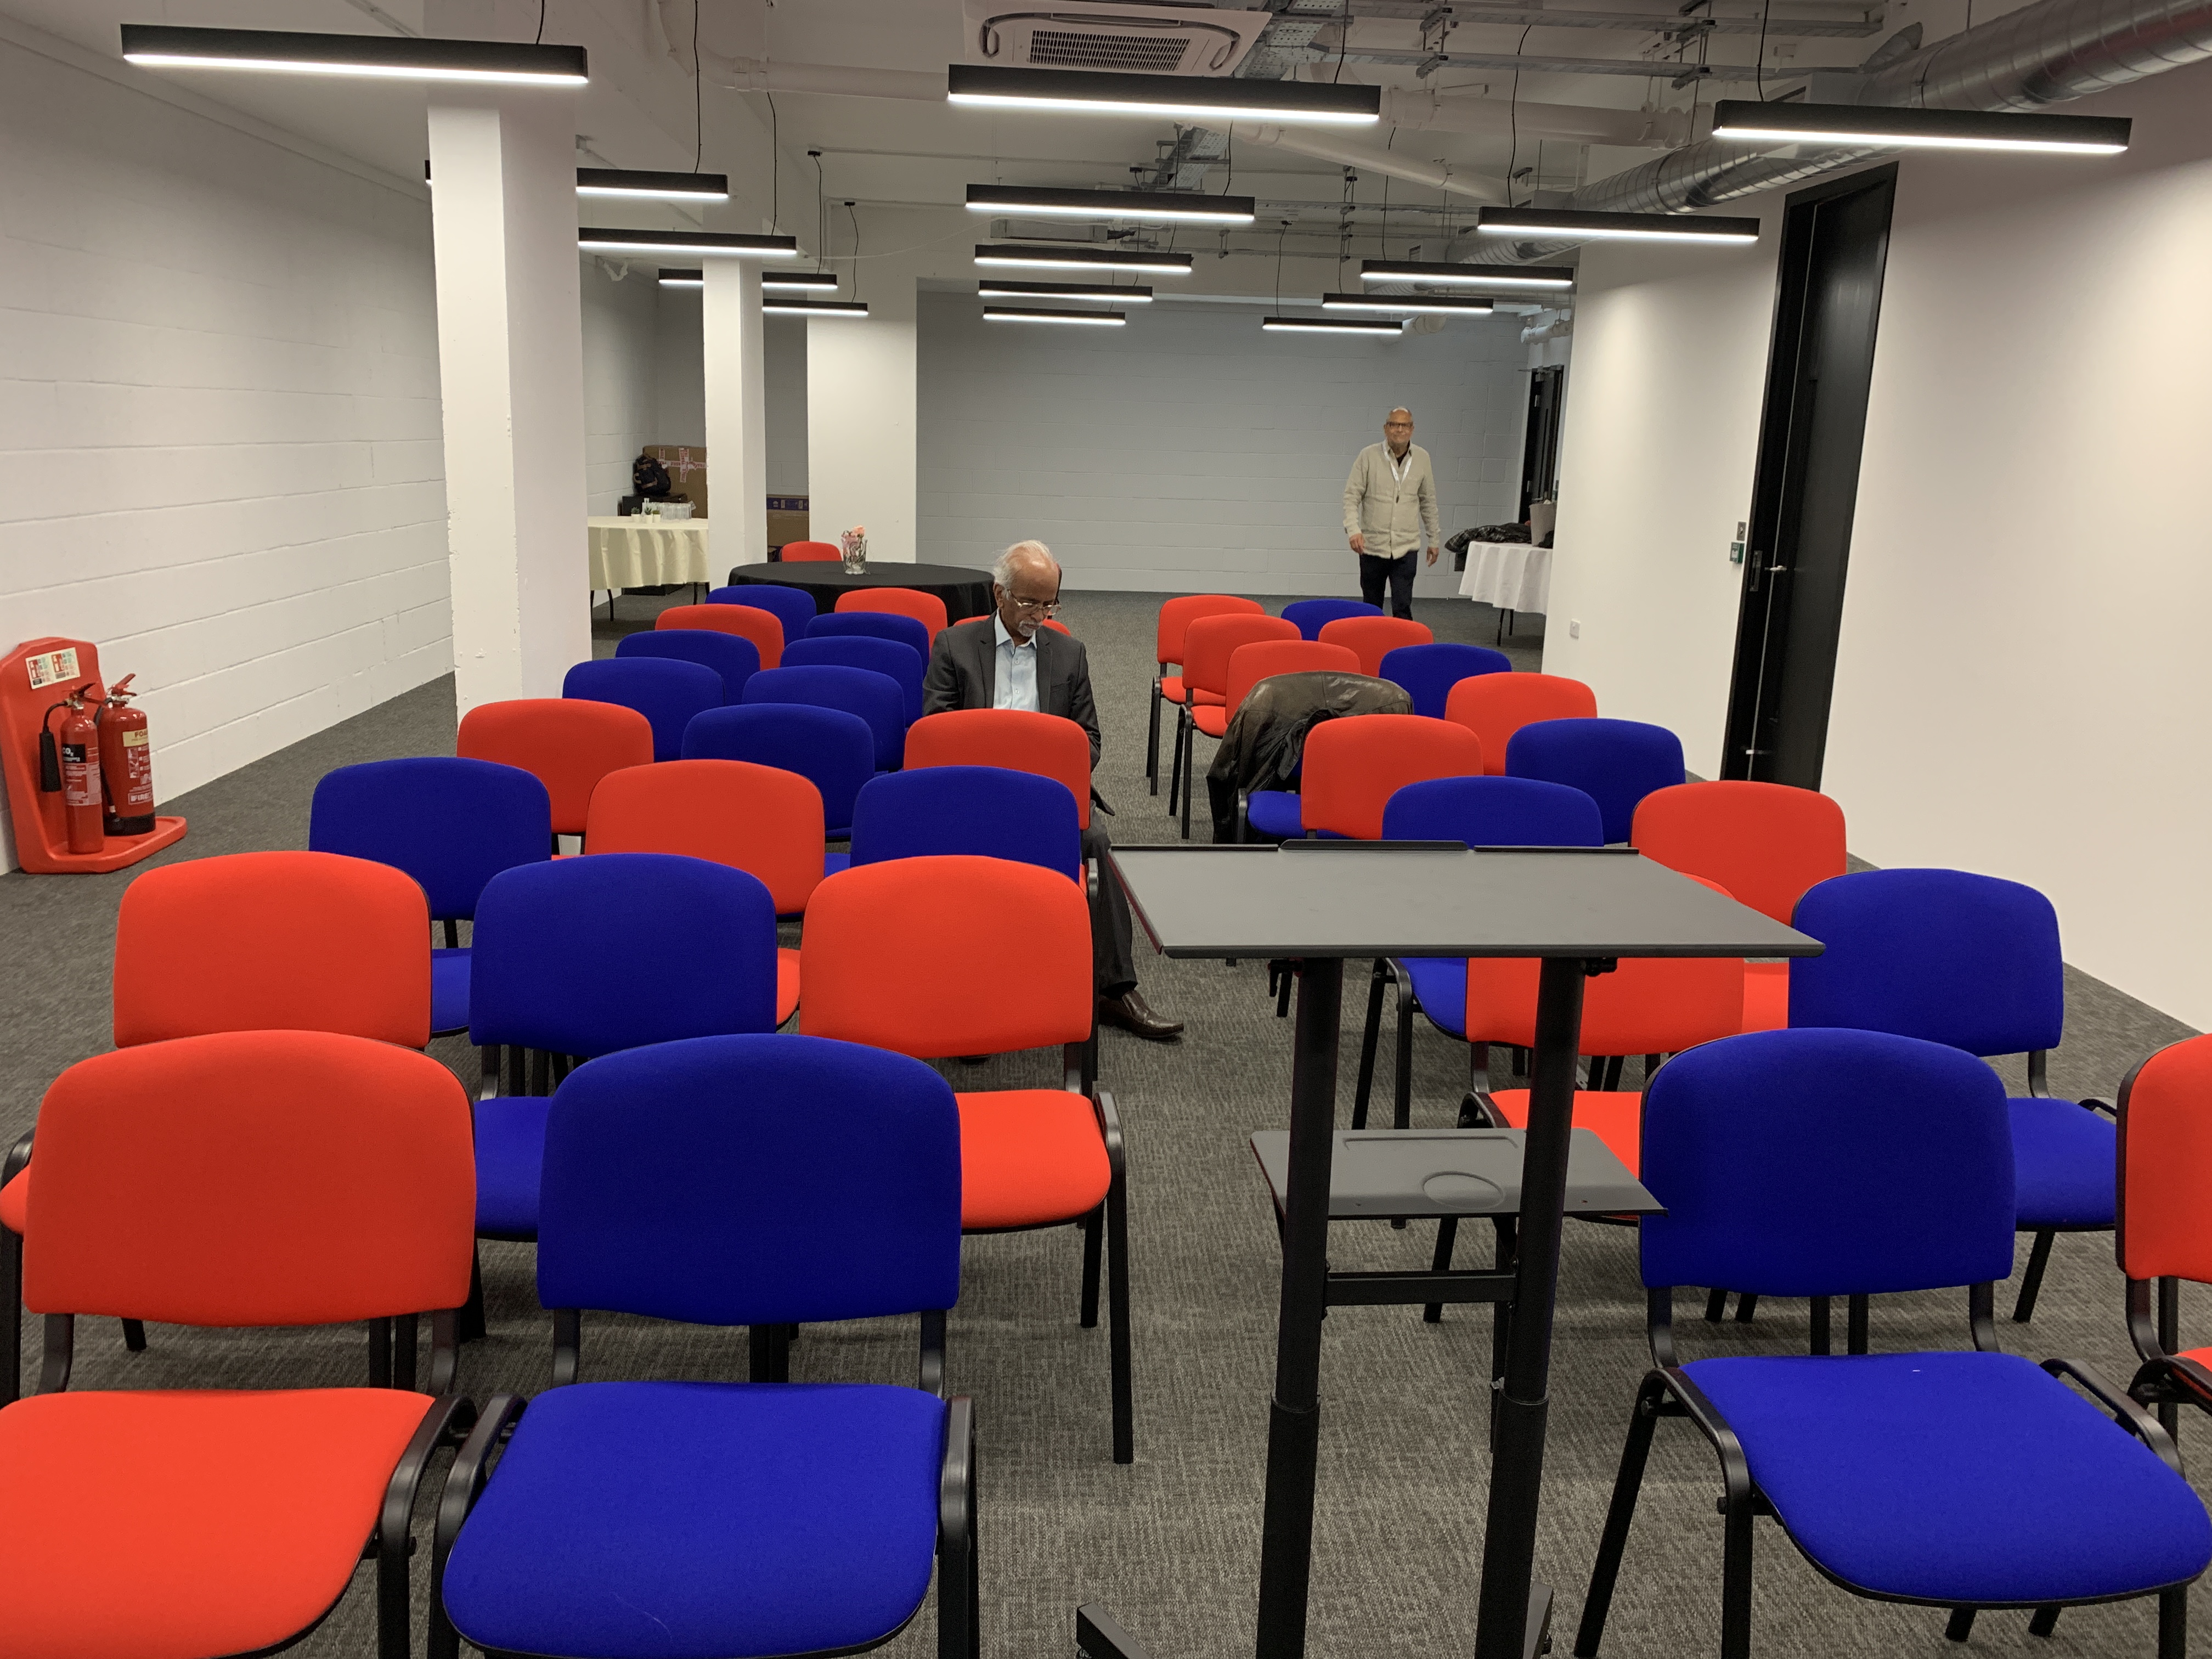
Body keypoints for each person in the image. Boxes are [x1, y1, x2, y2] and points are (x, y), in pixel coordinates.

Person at [922, 540, 1185, 1041]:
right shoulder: (954, 647)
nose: (1040, 615)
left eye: (1051, 604)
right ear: (999, 594)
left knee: (1096, 843)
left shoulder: (1069, 654)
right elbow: (935, 731)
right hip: (974, 796)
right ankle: (970, 998)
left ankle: (1113, 989)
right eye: (1030, 603)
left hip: (1047, 796)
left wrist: (1056, 762)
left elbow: (1090, 739)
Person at [1341, 407, 1440, 619]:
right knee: (1371, 608)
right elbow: (1351, 496)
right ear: (1386, 429)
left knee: (1403, 607)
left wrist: (1434, 539)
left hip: (1406, 547)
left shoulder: (1422, 458)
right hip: (1372, 547)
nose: (1399, 430)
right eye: (1394, 424)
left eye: (1404, 425)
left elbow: (1428, 502)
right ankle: (1371, 649)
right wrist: (1353, 530)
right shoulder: (1368, 456)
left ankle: (1402, 652)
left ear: (1412, 429)